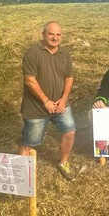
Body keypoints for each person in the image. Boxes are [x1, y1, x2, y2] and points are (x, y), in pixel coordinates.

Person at [19, 21, 76, 180]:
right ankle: (23, 178)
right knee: (29, 143)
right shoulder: (32, 53)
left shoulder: (65, 54)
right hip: (37, 107)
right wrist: (45, 101)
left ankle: (63, 162)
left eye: (58, 35)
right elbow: (30, 80)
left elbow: (69, 78)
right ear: (43, 34)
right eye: (51, 34)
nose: (55, 37)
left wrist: (64, 99)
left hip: (60, 105)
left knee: (70, 131)